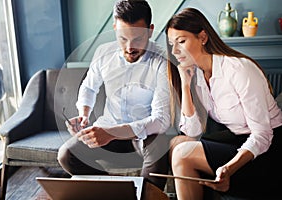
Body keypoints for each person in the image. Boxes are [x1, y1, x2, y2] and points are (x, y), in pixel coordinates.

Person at [165, 8, 282, 200]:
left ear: (203, 37)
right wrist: (185, 86)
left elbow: (263, 134)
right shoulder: (196, 75)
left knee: (183, 153)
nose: (175, 51)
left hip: (269, 151)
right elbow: (192, 132)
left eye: (181, 41)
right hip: (238, 140)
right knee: (178, 142)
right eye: (172, 44)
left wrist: (229, 168)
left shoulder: (239, 69)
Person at [57, 0, 171, 190]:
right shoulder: (103, 52)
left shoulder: (163, 61)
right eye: (122, 38)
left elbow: (160, 120)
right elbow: (88, 87)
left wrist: (110, 133)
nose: (129, 47)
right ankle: (119, 191)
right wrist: (84, 115)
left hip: (144, 136)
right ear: (114, 28)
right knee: (66, 154)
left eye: (137, 39)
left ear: (150, 31)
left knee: (159, 148)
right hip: (108, 127)